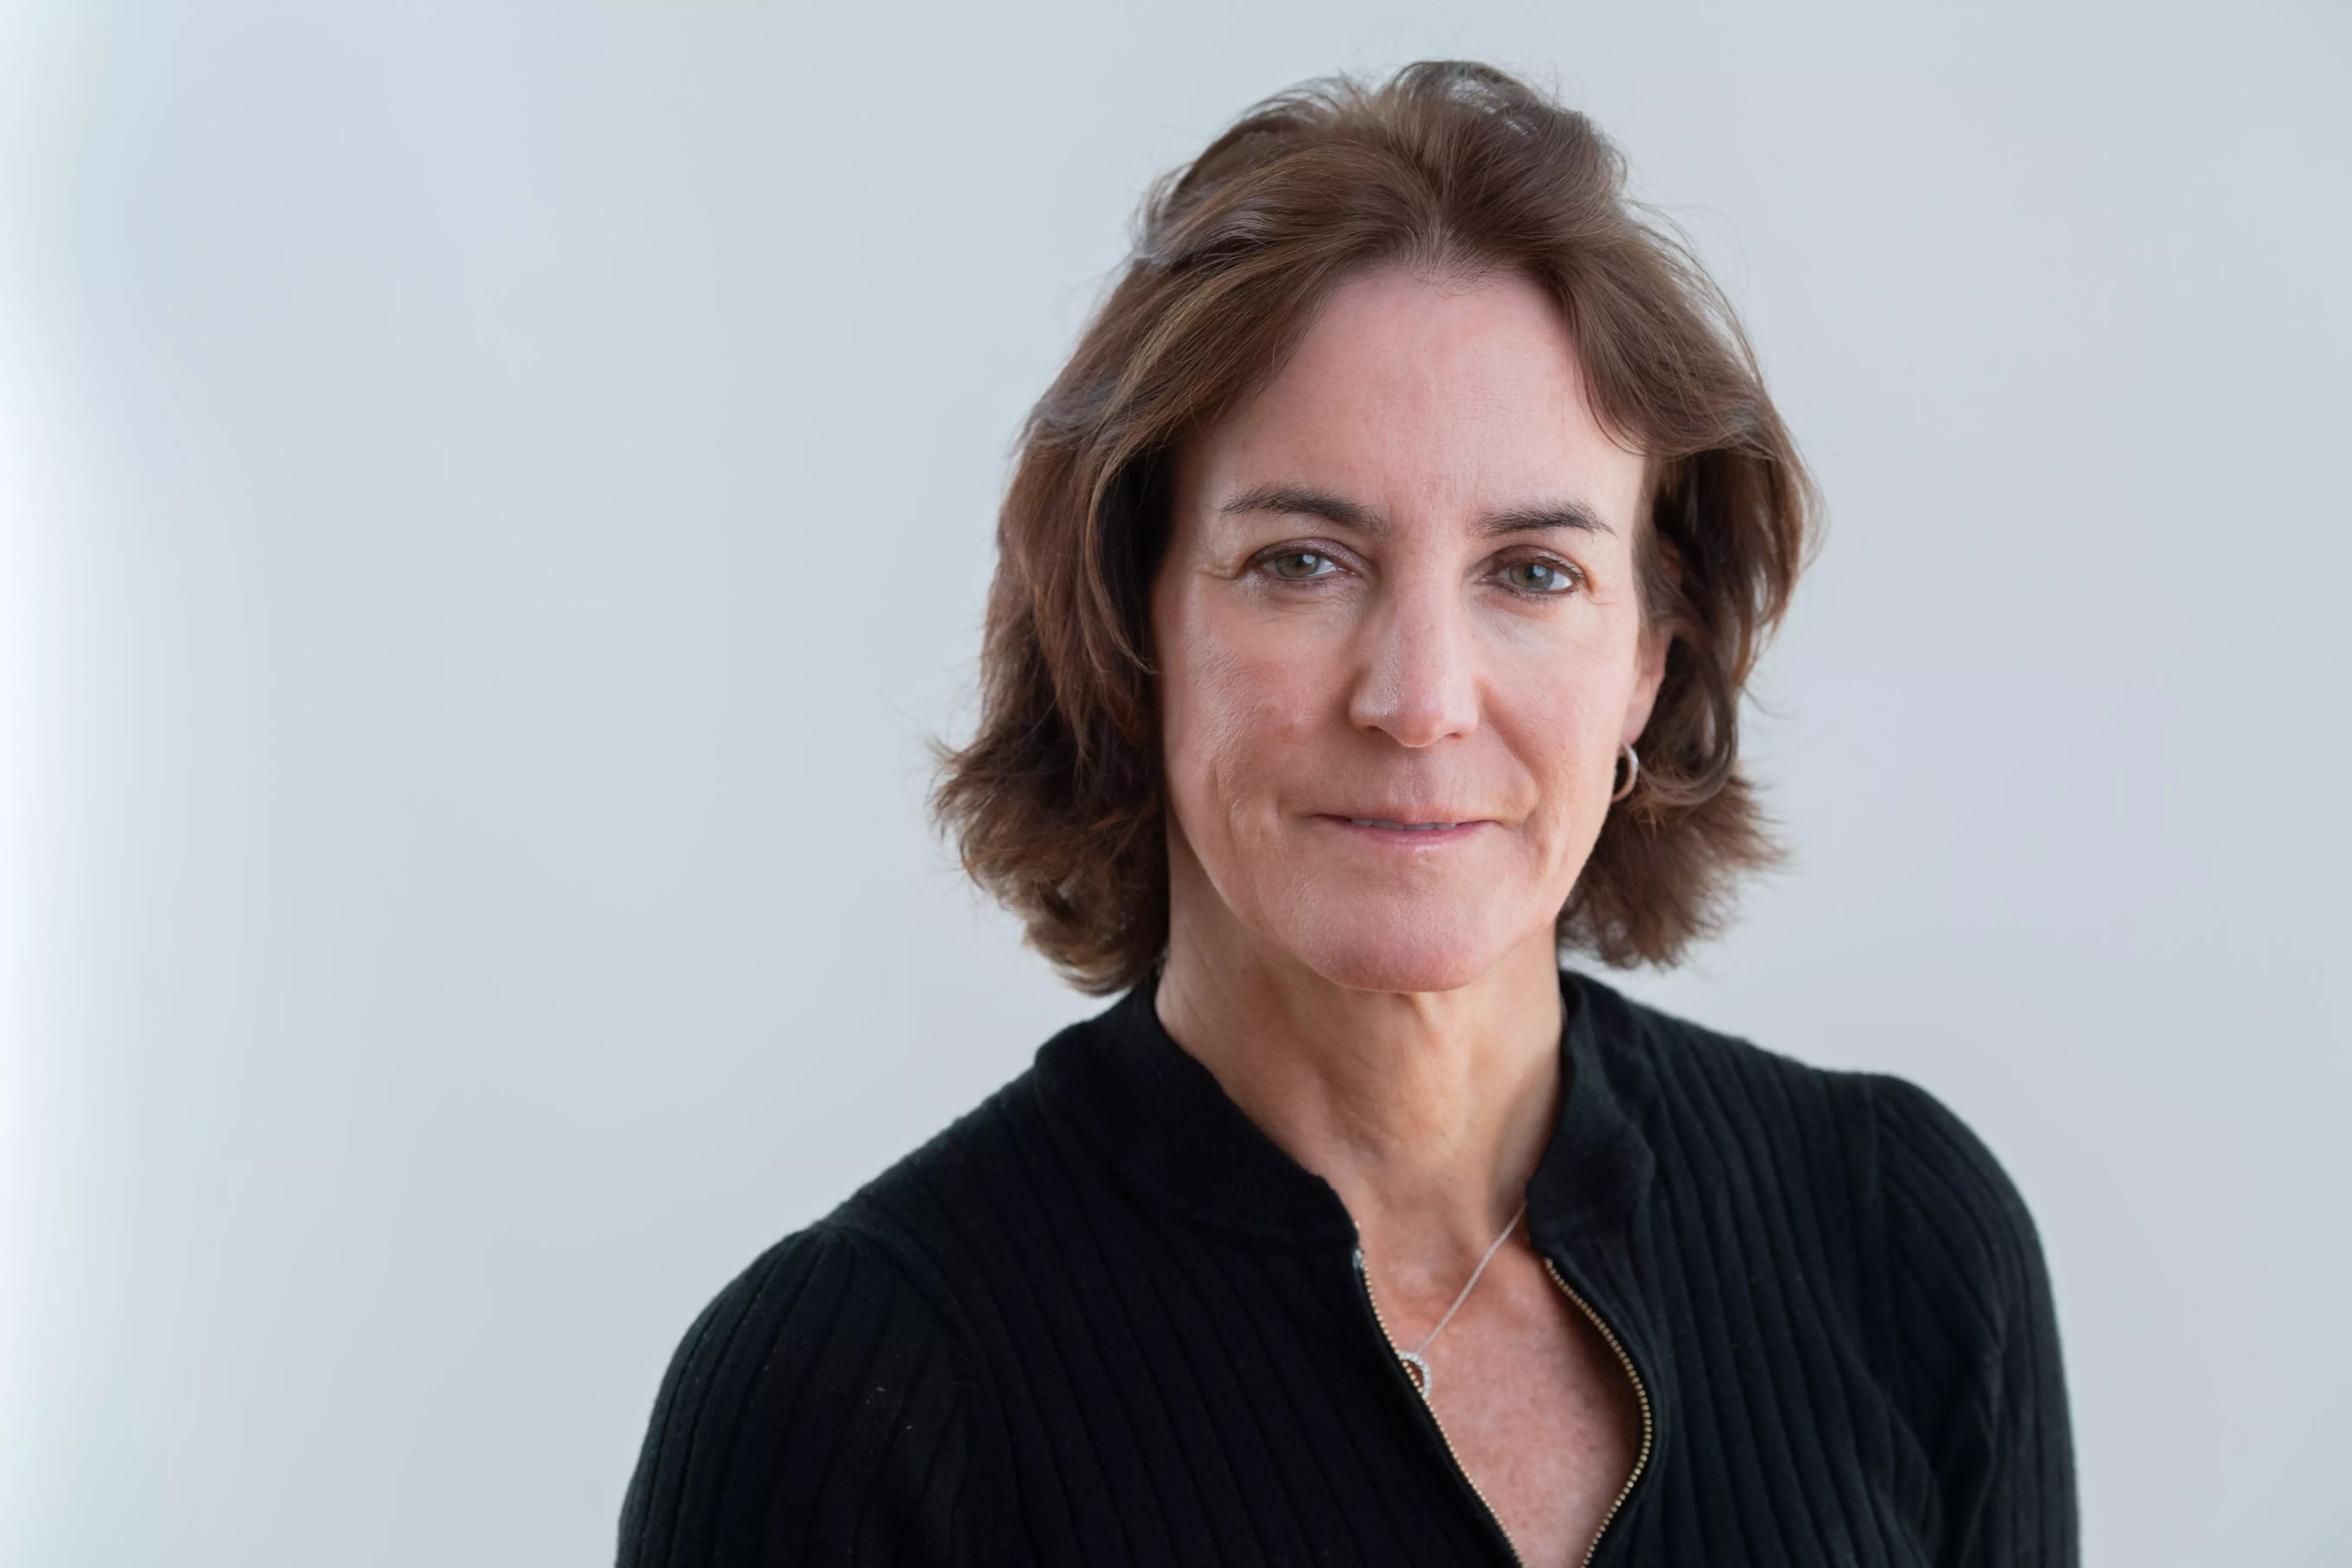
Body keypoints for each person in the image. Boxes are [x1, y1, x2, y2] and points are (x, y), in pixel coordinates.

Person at [617, 61, 2074, 1568]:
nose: (1421, 699)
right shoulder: (852, 1390)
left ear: (1652, 656)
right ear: (1130, 626)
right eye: (1303, 563)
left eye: (1533, 572)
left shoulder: (1900, 1240)